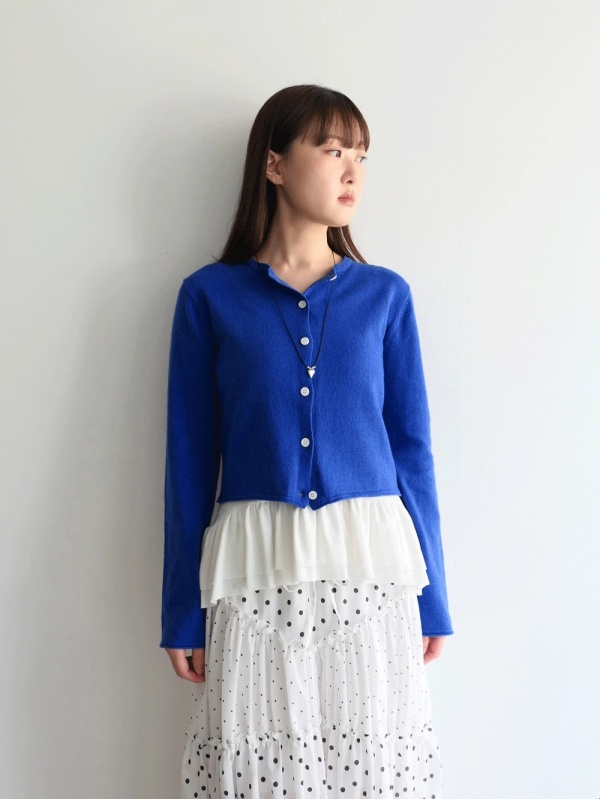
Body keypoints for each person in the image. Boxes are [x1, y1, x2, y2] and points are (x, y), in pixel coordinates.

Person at [160, 83, 454, 797]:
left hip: (371, 567)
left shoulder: (385, 296)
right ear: (274, 164)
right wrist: (180, 611)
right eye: (331, 150)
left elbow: (413, 453)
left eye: (361, 155)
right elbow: (189, 462)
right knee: (266, 770)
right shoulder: (209, 296)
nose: (353, 171)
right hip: (254, 569)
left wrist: (435, 597)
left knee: (371, 765)